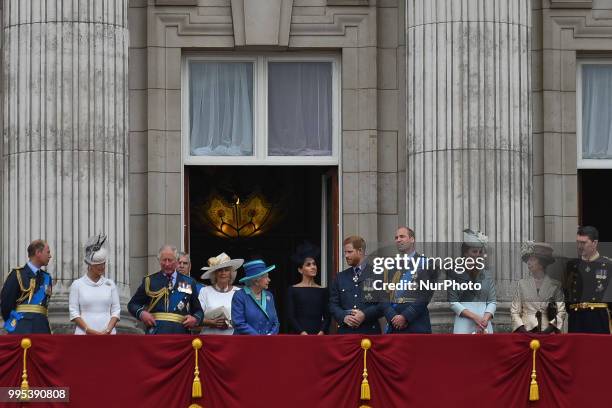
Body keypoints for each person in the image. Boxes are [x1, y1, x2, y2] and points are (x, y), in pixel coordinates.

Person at [128, 245, 203, 334]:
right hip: (156, 333)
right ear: (159, 261)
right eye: (164, 260)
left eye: (170, 260)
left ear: (176, 261)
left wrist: (195, 319)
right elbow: (132, 304)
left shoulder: (189, 282)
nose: (167, 264)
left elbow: (199, 311)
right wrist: (141, 314)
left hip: (180, 333)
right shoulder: (150, 281)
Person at [381, 227, 434, 333]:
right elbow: (382, 296)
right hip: (394, 326)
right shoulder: (389, 266)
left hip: (417, 325)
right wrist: (393, 317)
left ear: (412, 239)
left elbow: (425, 296)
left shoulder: (426, 264)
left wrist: (405, 316)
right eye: (396, 237)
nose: (398, 240)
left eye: (402, 236)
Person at [69, 234, 121, 335]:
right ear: (90, 265)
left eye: (103, 264)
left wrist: (108, 330)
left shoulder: (110, 284)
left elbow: (116, 310)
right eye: (98, 264)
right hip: (84, 334)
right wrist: (89, 330)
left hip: (108, 335)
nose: (102, 267)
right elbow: (74, 312)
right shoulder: (77, 284)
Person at [564, 226, 612, 334]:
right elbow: (566, 292)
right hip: (576, 319)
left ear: (594, 243)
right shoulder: (571, 265)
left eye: (583, 243)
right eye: (578, 242)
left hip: (598, 319)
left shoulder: (608, 265)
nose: (579, 246)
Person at [329, 236, 381, 334]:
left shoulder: (377, 274)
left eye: (349, 252)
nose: (346, 256)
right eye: (345, 252)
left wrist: (365, 314)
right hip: (346, 333)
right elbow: (333, 304)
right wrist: (344, 317)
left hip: (370, 333)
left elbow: (383, 304)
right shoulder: (340, 277)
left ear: (360, 251)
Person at [511, 241, 566, 333]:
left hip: (547, 331)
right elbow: (515, 311)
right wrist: (522, 330)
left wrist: (549, 330)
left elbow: (561, 312)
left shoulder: (555, 285)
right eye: (528, 260)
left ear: (542, 263)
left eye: (532, 259)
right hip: (525, 331)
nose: (528, 263)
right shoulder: (522, 284)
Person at [448, 229, 496, 334]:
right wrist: (475, 317)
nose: (478, 255)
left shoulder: (486, 274)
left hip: (485, 325)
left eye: (480, 252)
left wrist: (485, 318)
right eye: (474, 251)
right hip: (464, 323)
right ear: (465, 252)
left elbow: (492, 301)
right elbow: (453, 302)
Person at [1, 239, 53, 334]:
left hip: (43, 329)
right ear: (38, 253)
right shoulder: (17, 274)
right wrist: (14, 325)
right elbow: (6, 305)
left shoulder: (47, 277)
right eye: (48, 252)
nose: (50, 256)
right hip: (22, 329)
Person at [286, 242, 330, 335]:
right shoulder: (293, 290)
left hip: (318, 336)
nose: (313, 267)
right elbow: (290, 316)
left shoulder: (323, 290)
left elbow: (327, 316)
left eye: (314, 264)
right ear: (300, 270)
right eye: (308, 264)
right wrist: (302, 332)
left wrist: (322, 332)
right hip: (299, 336)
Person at [198, 252, 243, 335]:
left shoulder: (239, 292)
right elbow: (197, 317)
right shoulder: (205, 291)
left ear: (231, 274)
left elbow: (244, 319)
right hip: (208, 339)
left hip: (231, 340)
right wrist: (211, 322)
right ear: (214, 274)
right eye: (220, 270)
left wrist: (229, 323)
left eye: (226, 270)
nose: (223, 273)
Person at [231, 259, 279, 335]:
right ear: (256, 281)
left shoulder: (269, 295)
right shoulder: (240, 295)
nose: (269, 280)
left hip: (267, 342)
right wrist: (258, 338)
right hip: (245, 343)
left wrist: (270, 335)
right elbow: (239, 323)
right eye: (266, 277)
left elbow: (275, 322)